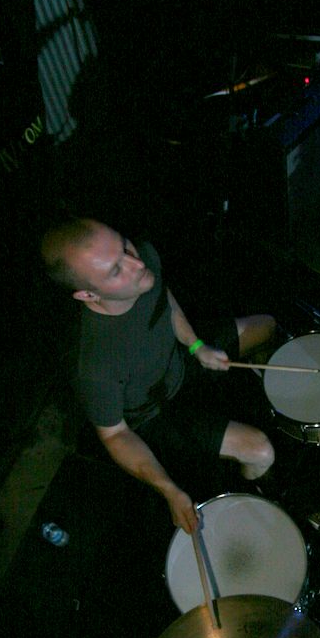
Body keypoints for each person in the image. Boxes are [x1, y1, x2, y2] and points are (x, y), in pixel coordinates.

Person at [41, 216, 276, 534]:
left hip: (181, 358)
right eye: (116, 270)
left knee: (266, 326)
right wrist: (168, 490)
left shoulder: (144, 260)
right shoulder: (92, 365)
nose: (136, 264)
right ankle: (256, 496)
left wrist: (196, 346)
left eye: (124, 247)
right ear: (88, 295)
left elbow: (165, 301)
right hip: (156, 412)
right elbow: (115, 435)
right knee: (260, 451)